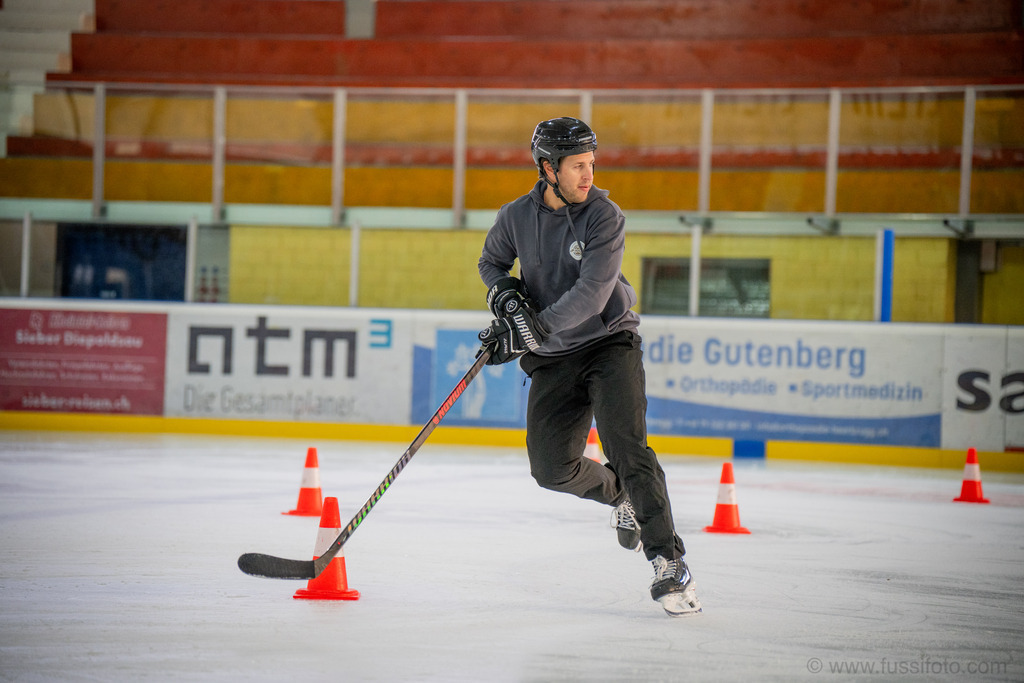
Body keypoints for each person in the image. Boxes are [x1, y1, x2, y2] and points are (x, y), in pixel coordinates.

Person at [476, 116, 702, 617]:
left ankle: (669, 562)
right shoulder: (515, 216)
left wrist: (530, 330)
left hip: (608, 344)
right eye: (578, 165)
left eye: (592, 164)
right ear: (547, 168)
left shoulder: (605, 216)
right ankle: (617, 494)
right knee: (550, 468)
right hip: (554, 359)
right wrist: (505, 298)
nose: (589, 175)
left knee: (627, 448)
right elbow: (491, 263)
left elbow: (593, 293)